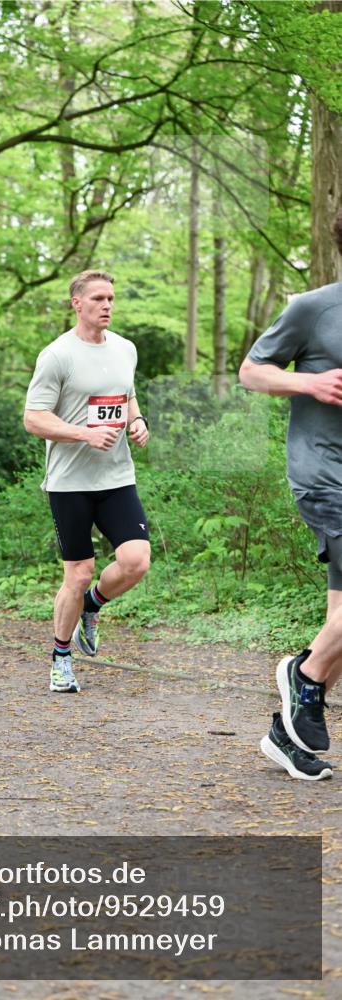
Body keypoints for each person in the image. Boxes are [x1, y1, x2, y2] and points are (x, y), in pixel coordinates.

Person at [239, 209, 342, 781]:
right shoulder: (314, 307)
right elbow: (251, 371)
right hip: (325, 475)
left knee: (341, 622)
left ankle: (286, 734)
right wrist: (308, 381)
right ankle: (304, 677)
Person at [24, 269, 150, 693]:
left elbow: (127, 396)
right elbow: (33, 418)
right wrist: (84, 433)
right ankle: (61, 657)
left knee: (136, 562)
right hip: (69, 482)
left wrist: (137, 421)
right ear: (77, 303)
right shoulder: (57, 355)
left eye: (111, 298)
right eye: (98, 298)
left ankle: (92, 607)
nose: (107, 305)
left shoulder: (125, 349)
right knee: (77, 574)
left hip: (116, 476)